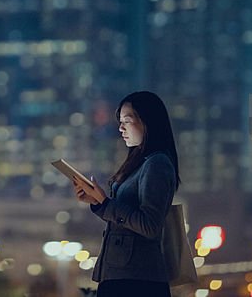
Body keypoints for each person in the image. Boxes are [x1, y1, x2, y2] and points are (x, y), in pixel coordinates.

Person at [72, 91, 181, 297]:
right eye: (120, 121)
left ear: (148, 123)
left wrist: (106, 201)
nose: (121, 128)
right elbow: (124, 217)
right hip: (122, 275)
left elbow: (149, 226)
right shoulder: (140, 163)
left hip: (138, 281)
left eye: (127, 121)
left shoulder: (157, 164)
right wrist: (99, 203)